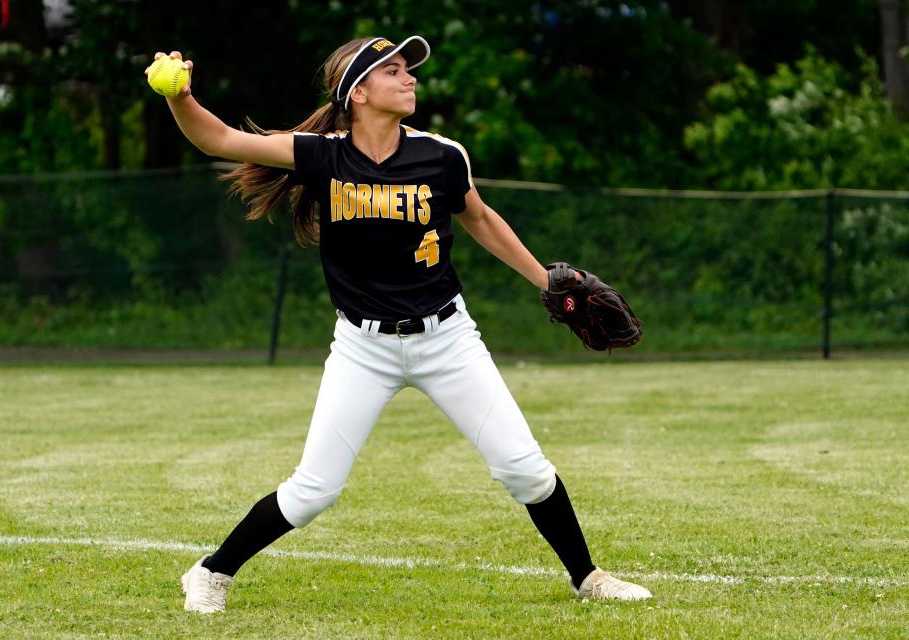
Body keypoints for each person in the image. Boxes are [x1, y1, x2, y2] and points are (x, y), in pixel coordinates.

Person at [147, 35, 652, 614]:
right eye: (393, 70)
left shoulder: (441, 155)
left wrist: (545, 281)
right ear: (358, 92)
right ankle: (211, 572)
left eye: (408, 69)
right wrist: (180, 97)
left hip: (448, 339)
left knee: (524, 469)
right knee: (314, 491)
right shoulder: (323, 155)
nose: (409, 77)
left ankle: (586, 576)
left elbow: (480, 219)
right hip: (364, 348)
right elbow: (219, 138)